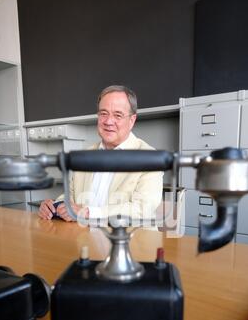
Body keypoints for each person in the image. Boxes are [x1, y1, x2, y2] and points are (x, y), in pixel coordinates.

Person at [38, 85, 163, 223]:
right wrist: (54, 207)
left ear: (132, 120)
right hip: (84, 239)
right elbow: (71, 198)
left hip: (130, 241)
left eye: (118, 115)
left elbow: (142, 209)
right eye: (103, 113)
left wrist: (87, 212)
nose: (108, 121)